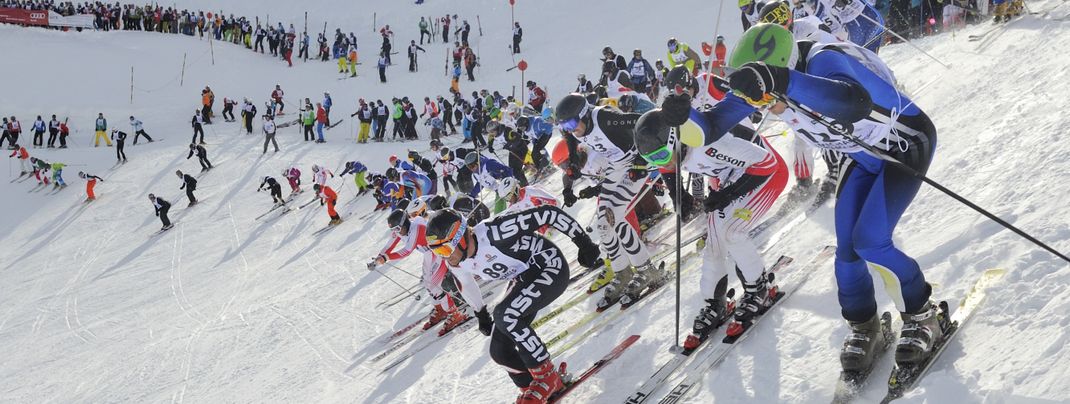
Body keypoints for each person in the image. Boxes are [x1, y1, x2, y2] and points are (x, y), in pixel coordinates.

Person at [711, 23, 940, 372]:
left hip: (903, 147)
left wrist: (778, 81)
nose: (760, 108)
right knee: (846, 256)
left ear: (781, 68)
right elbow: (711, 124)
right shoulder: (769, 90)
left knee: (871, 242)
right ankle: (865, 326)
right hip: (862, 157)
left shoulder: (821, 60)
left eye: (762, 97)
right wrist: (674, 122)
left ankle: (923, 314)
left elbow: (853, 101)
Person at [635, 103, 789, 347]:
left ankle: (759, 288)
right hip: (731, 177)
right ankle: (714, 303)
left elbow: (767, 163)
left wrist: (728, 194)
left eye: (663, 155)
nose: (663, 163)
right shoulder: (672, 150)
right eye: (652, 160)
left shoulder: (708, 144)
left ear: (676, 138)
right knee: (714, 242)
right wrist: (680, 199)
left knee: (732, 232)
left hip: (767, 174)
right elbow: (669, 169)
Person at [424, 206, 602, 403]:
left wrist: (584, 244)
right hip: (523, 278)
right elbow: (466, 284)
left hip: (549, 266)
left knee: (505, 314)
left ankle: (547, 377)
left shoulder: (496, 231)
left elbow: (549, 213)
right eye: (437, 251)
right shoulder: (456, 261)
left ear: (462, 237)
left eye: (445, 249)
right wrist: (481, 313)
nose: (445, 256)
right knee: (499, 351)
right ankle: (533, 385)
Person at [554, 94, 667, 309]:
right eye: (563, 125)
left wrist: (642, 161)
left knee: (614, 215)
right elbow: (569, 138)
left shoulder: (605, 118)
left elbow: (643, 121)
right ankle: (622, 271)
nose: (568, 129)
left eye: (570, 123)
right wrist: (574, 162)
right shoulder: (574, 129)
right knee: (602, 224)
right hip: (617, 166)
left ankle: (646, 270)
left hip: (635, 164)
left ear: (583, 114)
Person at [370, 203, 470, 335]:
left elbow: (406, 251)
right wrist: (379, 257)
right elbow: (390, 243)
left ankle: (454, 313)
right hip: (429, 254)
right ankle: (441, 309)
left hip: (439, 251)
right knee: (428, 284)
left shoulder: (416, 228)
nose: (396, 232)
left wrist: (386, 257)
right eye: (393, 229)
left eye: (397, 229)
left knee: (435, 284)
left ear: (404, 223)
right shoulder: (402, 229)